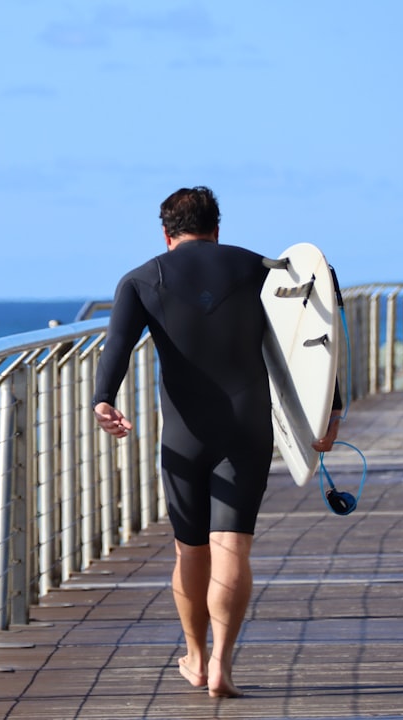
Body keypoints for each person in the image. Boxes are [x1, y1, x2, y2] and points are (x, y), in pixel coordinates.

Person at [92, 186, 340, 698]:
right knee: (233, 546)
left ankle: (197, 658)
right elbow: (319, 332)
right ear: (217, 229)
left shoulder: (141, 280)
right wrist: (329, 409)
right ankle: (224, 664)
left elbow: (117, 344)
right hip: (247, 427)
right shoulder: (260, 268)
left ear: (166, 233)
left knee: (190, 551)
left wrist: (104, 400)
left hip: (185, 434)